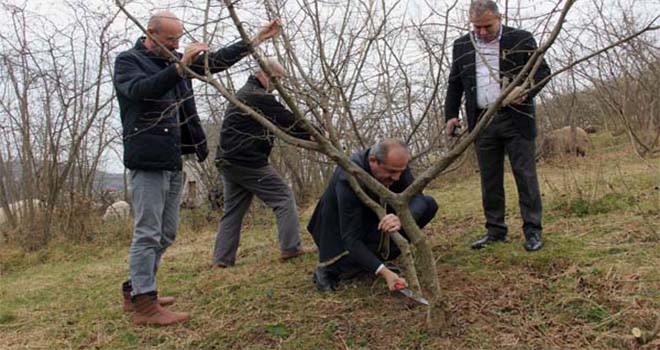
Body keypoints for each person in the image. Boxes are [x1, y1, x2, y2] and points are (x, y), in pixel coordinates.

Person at [113, 10, 281, 326]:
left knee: (166, 232)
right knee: (147, 232)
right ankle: (144, 305)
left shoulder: (172, 61)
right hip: (147, 157)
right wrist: (180, 64)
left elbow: (215, 62)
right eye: (170, 39)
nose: (176, 44)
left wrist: (256, 38)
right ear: (150, 33)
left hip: (174, 156)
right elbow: (142, 91)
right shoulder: (128, 62)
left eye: (178, 39)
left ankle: (136, 288)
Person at [444, 0, 551, 252]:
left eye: (487, 26)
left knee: (524, 175)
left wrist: (526, 91)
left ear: (499, 18)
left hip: (516, 118)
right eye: (476, 27)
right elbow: (454, 83)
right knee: (489, 179)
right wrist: (451, 115)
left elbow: (543, 72)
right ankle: (495, 231)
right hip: (481, 120)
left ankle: (533, 231)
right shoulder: (462, 45)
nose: (481, 32)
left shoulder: (521, 39)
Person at [212, 59, 316, 268]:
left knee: (233, 210)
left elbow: (281, 123)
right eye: (276, 80)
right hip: (247, 161)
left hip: (228, 160)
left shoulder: (246, 92)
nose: (277, 85)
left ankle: (222, 259)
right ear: (264, 75)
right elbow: (288, 119)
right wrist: (317, 136)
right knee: (283, 198)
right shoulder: (257, 96)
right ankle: (291, 248)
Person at [307, 139, 438, 292]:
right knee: (350, 252)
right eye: (391, 172)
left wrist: (401, 219)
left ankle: (379, 257)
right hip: (339, 229)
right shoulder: (348, 177)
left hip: (374, 218)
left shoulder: (396, 165)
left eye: (401, 172)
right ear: (373, 161)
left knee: (428, 205)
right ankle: (331, 269)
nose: (396, 178)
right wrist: (384, 272)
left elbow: (418, 198)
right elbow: (350, 238)